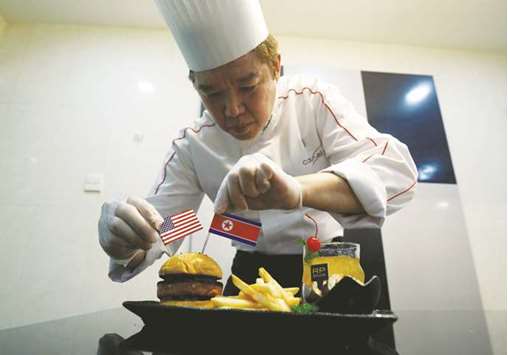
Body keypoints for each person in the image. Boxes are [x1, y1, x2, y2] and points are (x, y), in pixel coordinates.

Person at [98, 0, 417, 294]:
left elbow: (395, 174)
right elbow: (172, 227)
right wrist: (127, 239)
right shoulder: (194, 146)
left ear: (276, 66)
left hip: (322, 261)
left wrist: (296, 190)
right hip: (247, 272)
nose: (232, 110)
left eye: (247, 86)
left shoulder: (311, 101)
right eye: (212, 94)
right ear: (196, 86)